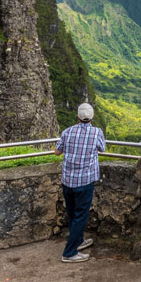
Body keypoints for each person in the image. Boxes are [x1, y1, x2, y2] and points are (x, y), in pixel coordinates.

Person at [55, 102, 106, 263]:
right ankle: (69, 253)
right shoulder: (96, 132)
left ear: (77, 116)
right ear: (92, 117)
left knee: (72, 213)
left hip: (67, 180)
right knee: (81, 216)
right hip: (84, 181)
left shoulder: (67, 132)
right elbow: (102, 148)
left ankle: (78, 241)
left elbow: (57, 151)